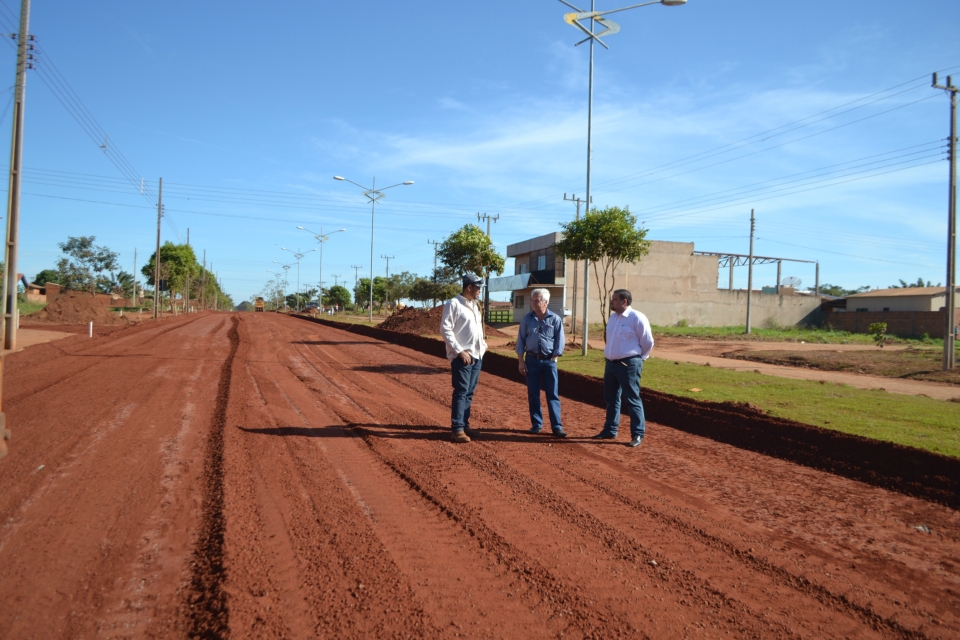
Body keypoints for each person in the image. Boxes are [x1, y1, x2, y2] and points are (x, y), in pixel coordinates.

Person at [593, 289, 654, 448]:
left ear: (624, 301)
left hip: (629, 364)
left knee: (632, 399)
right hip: (611, 363)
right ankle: (610, 430)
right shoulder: (613, 318)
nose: (612, 302)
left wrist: (642, 358)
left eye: (614, 300)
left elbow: (647, 341)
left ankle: (637, 434)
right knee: (611, 398)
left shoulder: (637, 318)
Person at [440, 273, 488, 443]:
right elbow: (445, 329)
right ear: (469, 287)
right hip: (463, 356)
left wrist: (482, 346)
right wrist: (460, 351)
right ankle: (457, 429)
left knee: (469, 393)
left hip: (477, 354)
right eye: (478, 288)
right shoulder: (454, 304)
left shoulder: (474, 305)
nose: (480, 291)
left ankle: (465, 424)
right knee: (461, 392)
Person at [515, 288, 566, 437]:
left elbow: (560, 341)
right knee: (533, 394)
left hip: (549, 361)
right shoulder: (526, 319)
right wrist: (521, 362)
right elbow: (520, 342)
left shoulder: (555, 319)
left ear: (546, 302)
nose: (534, 303)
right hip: (531, 361)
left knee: (553, 394)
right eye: (532, 300)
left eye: (537, 300)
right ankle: (536, 424)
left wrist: (555, 356)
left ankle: (557, 426)